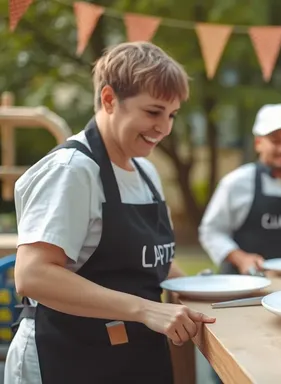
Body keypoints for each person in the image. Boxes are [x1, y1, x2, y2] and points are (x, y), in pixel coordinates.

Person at [5, 42, 215, 384]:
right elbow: (33, 276)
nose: (164, 127)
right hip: (67, 356)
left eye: (172, 114)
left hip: (133, 356)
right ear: (108, 99)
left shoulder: (146, 174)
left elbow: (149, 263)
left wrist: (213, 291)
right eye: (153, 111)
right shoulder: (72, 171)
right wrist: (147, 309)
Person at [199, 104, 281, 275]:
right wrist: (241, 258)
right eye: (276, 141)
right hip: (239, 286)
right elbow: (211, 231)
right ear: (258, 143)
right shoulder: (236, 182)